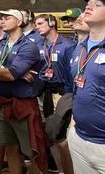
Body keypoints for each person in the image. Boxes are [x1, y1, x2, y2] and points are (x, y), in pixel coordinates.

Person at [68, 0, 105, 174]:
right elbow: (77, 88)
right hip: (79, 139)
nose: (89, 7)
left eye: (97, 5)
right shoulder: (79, 49)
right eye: (88, 4)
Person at [0, 9, 47, 174]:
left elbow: (9, 75)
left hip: (23, 105)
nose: (3, 20)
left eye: (7, 18)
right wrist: (14, 72)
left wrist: (11, 73)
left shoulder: (28, 46)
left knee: (33, 151)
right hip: (2, 104)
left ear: (19, 22)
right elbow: (8, 72)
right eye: (1, 18)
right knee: (10, 150)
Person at [34, 14, 75, 174]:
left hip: (61, 92)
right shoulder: (38, 45)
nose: (36, 26)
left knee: (62, 135)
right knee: (49, 134)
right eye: (35, 24)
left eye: (40, 23)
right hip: (43, 93)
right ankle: (60, 170)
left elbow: (71, 73)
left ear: (52, 23)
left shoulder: (67, 45)